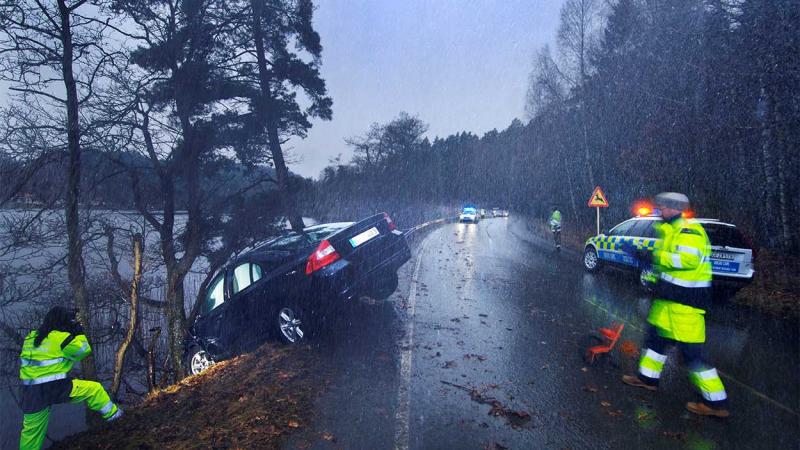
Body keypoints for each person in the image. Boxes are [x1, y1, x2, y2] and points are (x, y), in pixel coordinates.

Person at [621, 192, 729, 417]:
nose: (659, 209)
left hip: (685, 306)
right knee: (654, 342)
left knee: (693, 355)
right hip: (667, 303)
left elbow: (686, 260)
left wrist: (652, 257)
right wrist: (650, 268)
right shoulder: (669, 230)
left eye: (663, 207)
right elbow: (666, 266)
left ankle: (716, 403)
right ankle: (647, 379)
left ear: (675, 209)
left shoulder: (689, 231)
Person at [18, 306, 123, 450]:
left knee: (31, 433)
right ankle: (117, 417)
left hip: (30, 392)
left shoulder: (30, 338)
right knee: (94, 389)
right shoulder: (60, 338)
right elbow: (83, 350)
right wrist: (78, 331)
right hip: (55, 387)